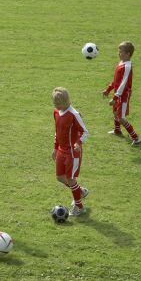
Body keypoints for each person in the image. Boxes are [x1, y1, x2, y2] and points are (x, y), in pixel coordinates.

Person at [52, 87, 89, 216]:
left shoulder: (74, 114)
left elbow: (85, 132)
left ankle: (79, 207)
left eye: (58, 103)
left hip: (72, 153)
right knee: (60, 177)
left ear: (66, 101)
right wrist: (55, 148)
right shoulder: (56, 112)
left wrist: (78, 143)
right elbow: (57, 131)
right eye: (54, 103)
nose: (56, 105)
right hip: (61, 151)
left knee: (71, 179)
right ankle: (80, 192)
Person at [103, 41, 141, 146]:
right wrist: (108, 89)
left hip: (123, 94)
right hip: (118, 93)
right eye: (119, 51)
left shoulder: (127, 67)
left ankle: (136, 138)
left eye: (121, 52)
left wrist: (115, 98)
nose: (119, 53)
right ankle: (117, 130)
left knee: (121, 118)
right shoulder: (121, 63)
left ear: (128, 54)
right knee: (115, 112)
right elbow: (116, 81)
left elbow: (123, 84)